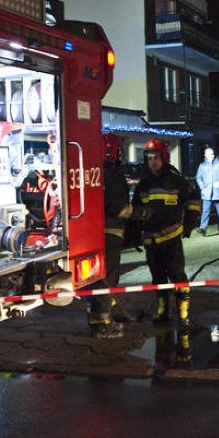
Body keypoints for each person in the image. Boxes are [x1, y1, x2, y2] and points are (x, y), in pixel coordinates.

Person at [132, 139, 201, 328]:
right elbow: (135, 210)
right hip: (151, 240)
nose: (152, 162)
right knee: (157, 278)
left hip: (171, 238)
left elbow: (194, 202)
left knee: (178, 275)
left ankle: (183, 313)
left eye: (155, 157)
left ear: (164, 158)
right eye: (149, 158)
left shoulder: (177, 181)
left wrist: (189, 224)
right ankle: (162, 310)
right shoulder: (143, 185)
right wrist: (135, 234)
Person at [86, 133, 149, 339]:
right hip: (111, 233)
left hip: (90, 233)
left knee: (96, 278)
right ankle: (101, 322)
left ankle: (111, 310)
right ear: (116, 152)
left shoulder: (89, 172)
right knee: (107, 277)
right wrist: (143, 213)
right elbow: (121, 209)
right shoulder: (112, 176)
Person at [195, 147, 219, 236]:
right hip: (206, 193)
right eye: (209, 154)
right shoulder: (202, 166)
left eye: (212, 154)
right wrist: (202, 187)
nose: (211, 156)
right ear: (205, 155)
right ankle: (203, 228)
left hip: (218, 193)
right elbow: (198, 177)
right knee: (205, 211)